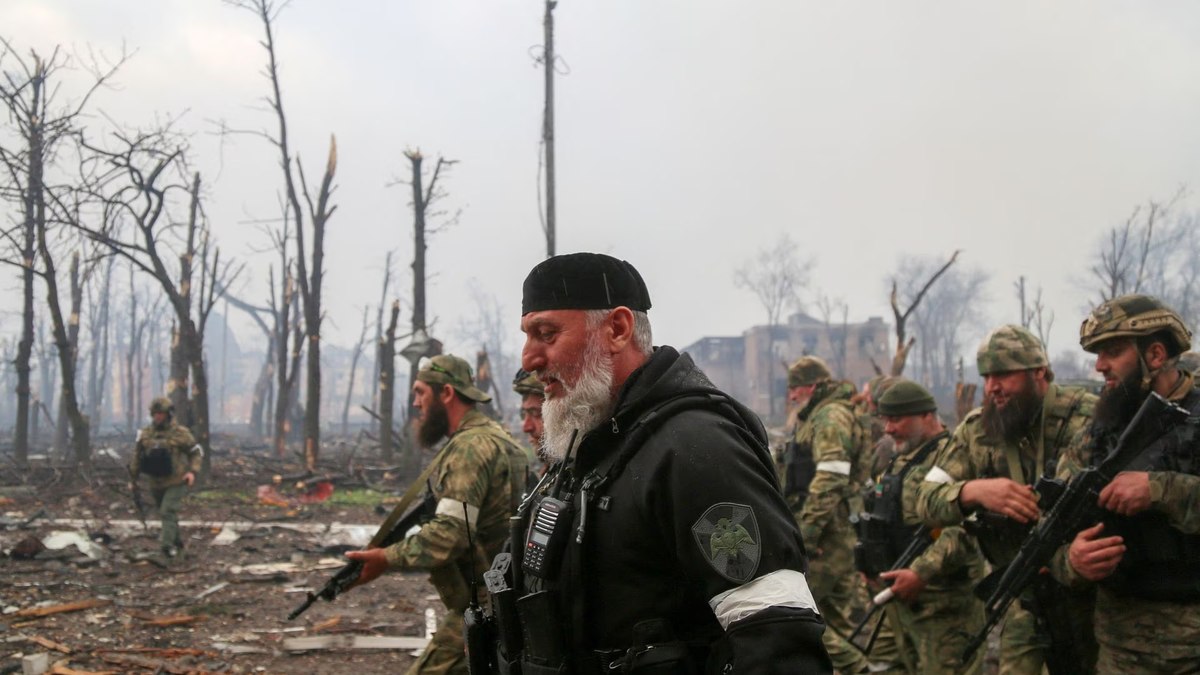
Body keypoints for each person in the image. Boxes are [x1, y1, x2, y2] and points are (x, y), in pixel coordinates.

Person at [502, 252, 830, 674]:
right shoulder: (593, 444)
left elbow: (779, 639)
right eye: (527, 336)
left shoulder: (697, 449)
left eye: (546, 333)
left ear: (617, 329)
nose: (529, 358)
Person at [911, 324, 1098, 674]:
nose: (992, 387)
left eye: (1003, 375)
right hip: (1023, 593)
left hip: (1092, 592)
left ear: (1038, 371)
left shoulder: (1087, 417)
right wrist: (973, 492)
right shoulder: (977, 429)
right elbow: (925, 499)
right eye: (986, 376)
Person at [347, 354, 528, 675]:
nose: (416, 403)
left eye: (420, 393)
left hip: (485, 608)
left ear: (446, 393)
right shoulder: (500, 439)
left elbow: (449, 534)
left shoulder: (470, 448)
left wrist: (386, 558)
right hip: (505, 602)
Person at [1051, 294, 1200, 672]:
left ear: (1154, 354)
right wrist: (1072, 560)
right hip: (1123, 651)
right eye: (1097, 355)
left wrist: (1160, 490)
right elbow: (1048, 528)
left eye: (1113, 351)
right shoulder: (1096, 435)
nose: (1100, 366)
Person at [785, 356, 904, 673]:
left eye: (795, 388)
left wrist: (806, 536)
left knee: (795, 614)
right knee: (835, 618)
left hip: (829, 534)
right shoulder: (823, 415)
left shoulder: (830, 417)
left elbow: (830, 478)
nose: (792, 396)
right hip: (835, 530)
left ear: (813, 386)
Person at [859, 380, 987, 674]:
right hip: (899, 598)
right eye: (885, 419)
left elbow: (964, 529)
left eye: (896, 419)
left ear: (926, 416)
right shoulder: (899, 458)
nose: (888, 429)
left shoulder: (952, 457)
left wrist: (920, 572)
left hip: (943, 605)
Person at [129, 396, 203, 560]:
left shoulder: (180, 433)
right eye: (155, 414)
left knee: (167, 511)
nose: (158, 417)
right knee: (166, 515)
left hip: (176, 481)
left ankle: (166, 549)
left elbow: (195, 452)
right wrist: (133, 479)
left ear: (168, 414)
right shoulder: (146, 434)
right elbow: (137, 456)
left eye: (161, 414)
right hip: (155, 481)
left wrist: (192, 472)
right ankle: (178, 546)